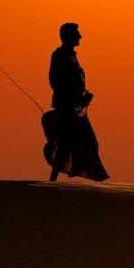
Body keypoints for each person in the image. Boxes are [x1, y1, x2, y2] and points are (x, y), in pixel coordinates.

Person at [47, 23, 109, 182]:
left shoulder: (71, 56)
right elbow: (56, 81)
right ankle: (53, 181)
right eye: (76, 34)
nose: (80, 37)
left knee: (84, 141)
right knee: (69, 142)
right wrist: (74, 98)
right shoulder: (60, 56)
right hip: (67, 107)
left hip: (76, 107)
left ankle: (82, 174)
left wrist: (82, 97)